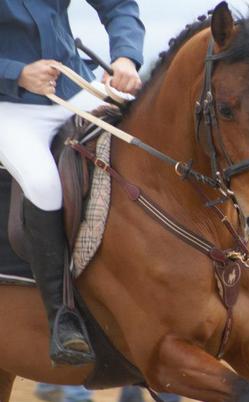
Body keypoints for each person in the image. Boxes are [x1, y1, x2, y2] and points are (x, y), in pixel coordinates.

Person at [0, 1, 144, 365]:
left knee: (146, 141)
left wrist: (126, 58)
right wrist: (16, 73)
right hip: (11, 107)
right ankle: (63, 317)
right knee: (42, 183)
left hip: (73, 88)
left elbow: (119, 5)